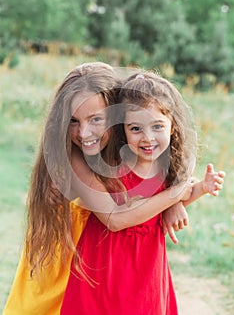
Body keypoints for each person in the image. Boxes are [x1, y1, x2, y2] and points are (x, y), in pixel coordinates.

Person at [3, 62, 201, 315]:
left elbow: (175, 160)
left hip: (105, 272)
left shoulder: (125, 147)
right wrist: (175, 195)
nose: (84, 132)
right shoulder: (73, 157)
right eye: (73, 121)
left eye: (95, 119)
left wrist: (174, 203)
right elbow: (114, 218)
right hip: (64, 268)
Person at [60, 71, 225, 315]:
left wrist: (197, 189)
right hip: (103, 265)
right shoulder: (113, 162)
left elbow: (164, 205)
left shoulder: (167, 167)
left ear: (172, 127)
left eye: (157, 126)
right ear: (121, 130)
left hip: (147, 269)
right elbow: (124, 215)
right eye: (135, 128)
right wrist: (174, 197)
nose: (147, 138)